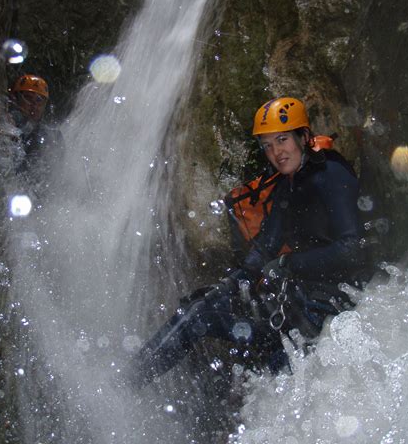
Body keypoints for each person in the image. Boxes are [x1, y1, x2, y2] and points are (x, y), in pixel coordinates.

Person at [131, 96, 367, 387]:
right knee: (198, 310)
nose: (276, 152)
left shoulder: (331, 176)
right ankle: (130, 379)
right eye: (267, 146)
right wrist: (228, 287)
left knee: (278, 367)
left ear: (303, 137)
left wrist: (288, 264)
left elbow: (352, 250)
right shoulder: (288, 185)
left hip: (331, 307)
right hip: (299, 300)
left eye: (282, 140)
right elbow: (266, 247)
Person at [7, 73, 64, 178]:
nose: (34, 105)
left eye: (39, 100)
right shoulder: (8, 127)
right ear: (16, 100)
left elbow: (59, 172)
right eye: (28, 98)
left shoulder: (53, 137)